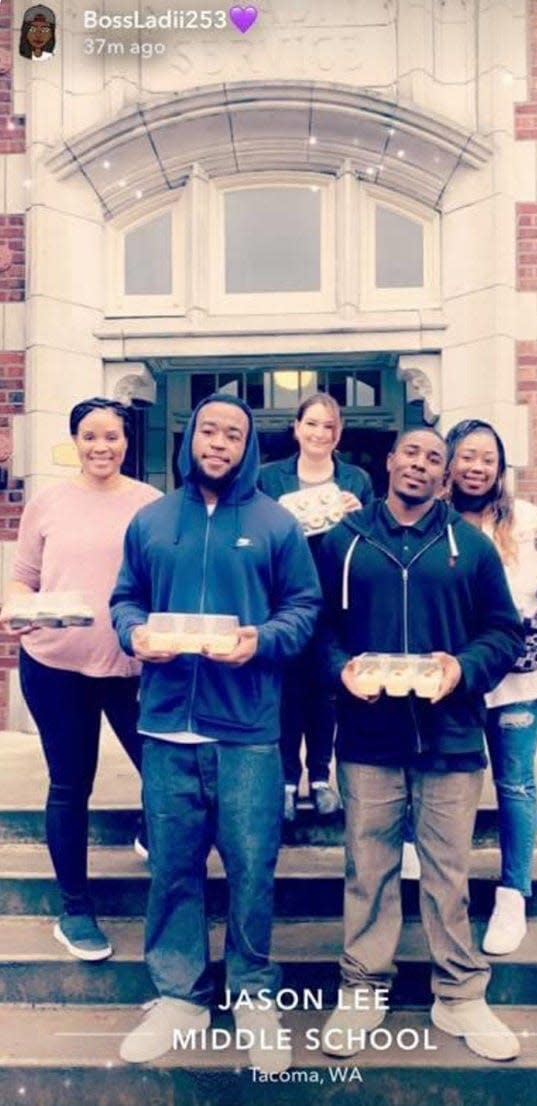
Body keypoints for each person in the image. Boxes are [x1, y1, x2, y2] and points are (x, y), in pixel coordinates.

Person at [110, 393, 321, 1071]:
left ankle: (253, 992)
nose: (220, 442)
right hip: (169, 725)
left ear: (248, 445)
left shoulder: (274, 523)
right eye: (210, 430)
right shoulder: (150, 520)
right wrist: (133, 633)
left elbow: (304, 607)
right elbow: (124, 598)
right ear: (190, 437)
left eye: (234, 433)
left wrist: (262, 640)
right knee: (173, 868)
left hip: (248, 731)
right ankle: (180, 995)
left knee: (252, 869)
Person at [316, 427, 525, 1062]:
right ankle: (361, 989)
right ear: (389, 461)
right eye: (412, 452)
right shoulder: (342, 542)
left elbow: (503, 633)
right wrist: (341, 670)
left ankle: (459, 994)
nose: (422, 463)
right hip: (368, 737)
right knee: (369, 871)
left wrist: (463, 668)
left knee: (447, 875)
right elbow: (318, 628)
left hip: (452, 737)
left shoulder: (472, 548)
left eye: (435, 457)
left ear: (445, 475)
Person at [1, 398, 161, 961]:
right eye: (90, 436)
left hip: (132, 667)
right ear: (75, 441)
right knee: (71, 784)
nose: (102, 446)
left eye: (112, 436)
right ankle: (74, 910)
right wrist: (16, 608)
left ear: (126, 441)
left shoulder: (151, 505)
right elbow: (23, 579)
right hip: (55, 664)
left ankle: (150, 829)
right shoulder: (49, 502)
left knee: (163, 772)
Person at [444, 419, 537, 955]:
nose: (477, 467)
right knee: (445, 774)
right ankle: (435, 876)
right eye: (467, 456)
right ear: (450, 461)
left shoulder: (529, 520)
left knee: (516, 782)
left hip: (519, 675)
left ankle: (513, 893)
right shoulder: (435, 520)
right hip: (453, 674)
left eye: (488, 459)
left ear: (501, 468)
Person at [258, 393, 373, 821]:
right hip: (284, 599)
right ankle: (287, 781)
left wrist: (359, 517)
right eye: (312, 424)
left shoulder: (356, 480)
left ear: (338, 433)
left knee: (327, 690)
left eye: (329, 426)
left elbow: (371, 537)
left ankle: (321, 778)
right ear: (297, 427)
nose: (319, 433)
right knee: (288, 690)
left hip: (335, 598)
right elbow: (258, 530)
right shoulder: (270, 479)